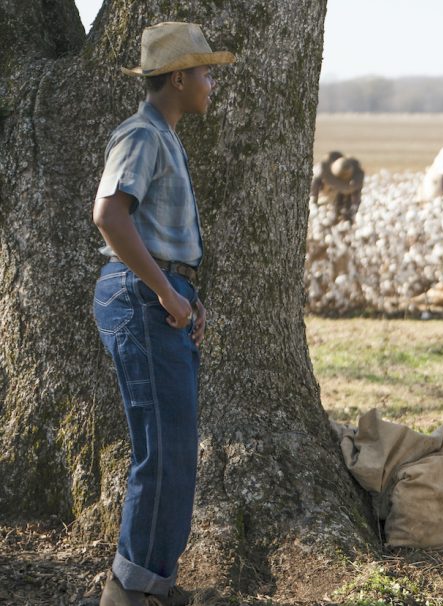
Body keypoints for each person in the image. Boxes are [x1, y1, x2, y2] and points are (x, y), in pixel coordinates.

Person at [92, 22, 233, 606]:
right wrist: (166, 293)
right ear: (178, 77)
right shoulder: (143, 135)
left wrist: (184, 294)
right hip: (140, 299)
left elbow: (154, 233)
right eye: (204, 72)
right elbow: (109, 216)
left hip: (158, 298)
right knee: (163, 448)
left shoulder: (164, 136)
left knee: (173, 447)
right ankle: (132, 593)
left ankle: (153, 585)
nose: (209, 84)